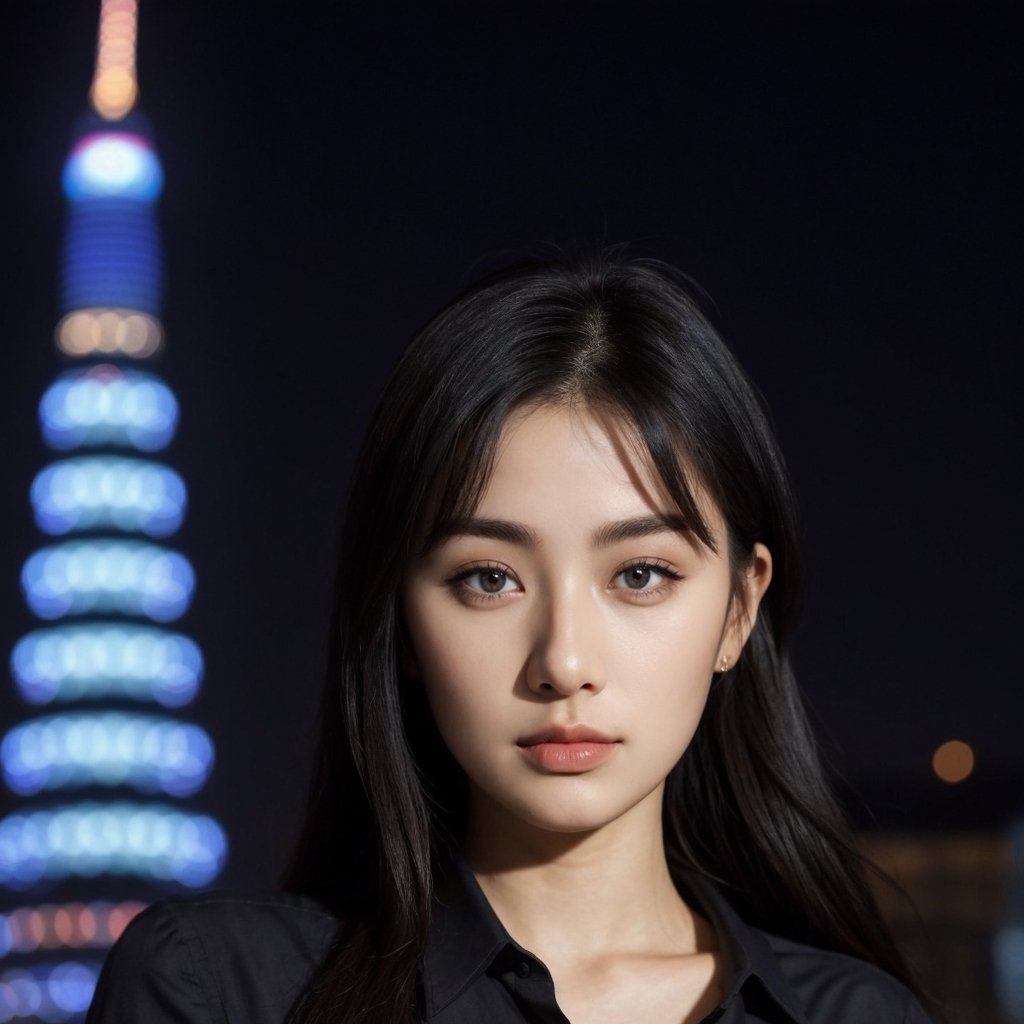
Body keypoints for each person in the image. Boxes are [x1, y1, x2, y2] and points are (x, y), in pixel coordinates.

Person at [87, 251, 934, 1023]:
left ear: (739, 612)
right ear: (402, 622)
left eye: (640, 575)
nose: (563, 662)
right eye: (488, 579)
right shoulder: (223, 991)